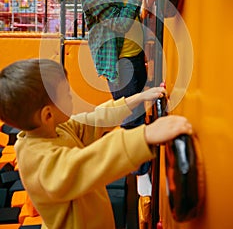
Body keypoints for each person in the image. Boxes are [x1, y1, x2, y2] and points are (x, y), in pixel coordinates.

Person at [0, 58, 193, 229]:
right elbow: (85, 165)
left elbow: (96, 119)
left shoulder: (57, 129)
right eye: (66, 93)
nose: (71, 96)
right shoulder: (39, 161)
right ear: (48, 114)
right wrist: (145, 136)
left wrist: (140, 98)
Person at [75, 0, 154, 195]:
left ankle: (144, 157)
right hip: (118, 62)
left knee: (142, 108)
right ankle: (141, 176)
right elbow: (121, 23)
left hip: (134, 54)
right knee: (131, 116)